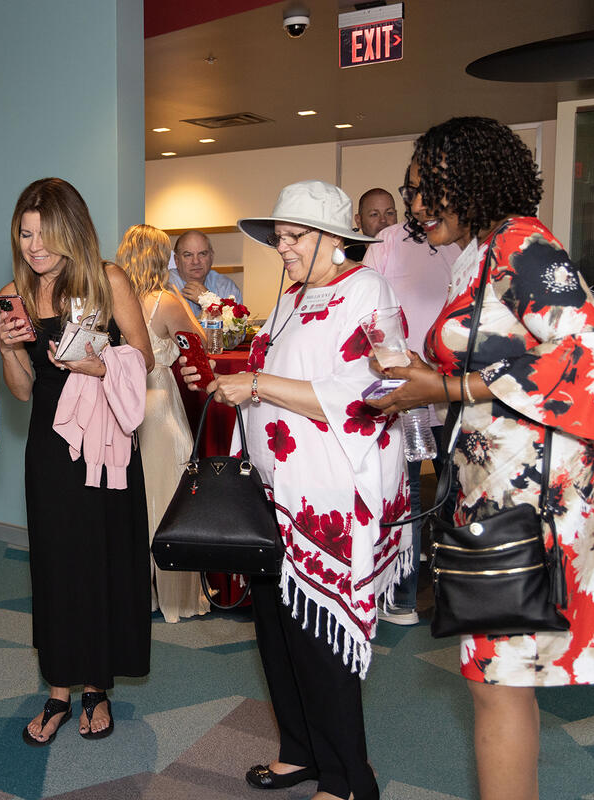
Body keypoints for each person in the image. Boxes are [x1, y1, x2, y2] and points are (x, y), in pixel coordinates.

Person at [368, 116, 594, 800]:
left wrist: (444, 385)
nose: (415, 205)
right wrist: (418, 381)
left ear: (469, 180)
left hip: (530, 508)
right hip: (489, 496)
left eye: (426, 188)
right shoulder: (479, 253)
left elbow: (590, 355)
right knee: (496, 682)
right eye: (410, 191)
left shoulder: (525, 244)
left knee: (495, 681)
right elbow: (495, 361)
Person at [186, 180, 410, 800]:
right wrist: (237, 380)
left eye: (293, 237)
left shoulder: (367, 291)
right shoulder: (290, 296)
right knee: (276, 630)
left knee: (319, 642)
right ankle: (300, 750)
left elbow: (372, 392)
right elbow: (276, 371)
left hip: (329, 497)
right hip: (273, 490)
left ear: (334, 241)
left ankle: (347, 778)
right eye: (279, 237)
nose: (281, 248)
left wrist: (256, 385)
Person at [0, 177, 152, 745]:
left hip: (105, 444)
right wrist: (11, 348)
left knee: (102, 558)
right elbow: (21, 389)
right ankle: (59, 688)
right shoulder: (17, 290)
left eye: (45, 233)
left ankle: (98, 688)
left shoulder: (108, 280)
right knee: (56, 564)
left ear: (72, 228)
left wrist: (98, 363)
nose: (34, 246)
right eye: (25, 232)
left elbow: (145, 357)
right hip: (50, 445)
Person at [363, 219, 459, 625]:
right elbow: (369, 316)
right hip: (402, 388)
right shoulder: (387, 242)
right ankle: (403, 599)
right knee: (408, 494)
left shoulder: (462, 243)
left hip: (449, 387)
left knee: (452, 494)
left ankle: (455, 599)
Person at [116, 223, 210, 623]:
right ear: (161, 258)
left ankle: (139, 592)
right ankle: (178, 596)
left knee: (137, 501)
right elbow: (200, 340)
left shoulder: (113, 300)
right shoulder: (164, 301)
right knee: (170, 499)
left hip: (124, 408)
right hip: (158, 405)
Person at [169, 229, 241, 318]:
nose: (196, 261)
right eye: (188, 255)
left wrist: (208, 299)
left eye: (202, 254)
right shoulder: (165, 286)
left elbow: (237, 328)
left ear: (211, 257)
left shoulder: (226, 286)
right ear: (176, 260)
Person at [343, 188, 398, 262]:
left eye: (389, 213)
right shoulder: (346, 259)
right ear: (358, 221)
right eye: (374, 214)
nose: (383, 220)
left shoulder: (409, 253)